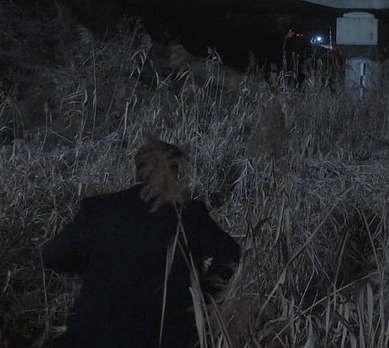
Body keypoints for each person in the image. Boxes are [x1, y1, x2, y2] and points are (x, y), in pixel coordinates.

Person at [42, 138, 241, 348]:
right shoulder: (189, 213)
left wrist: (83, 271)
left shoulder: (98, 209)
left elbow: (51, 256)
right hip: (169, 337)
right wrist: (201, 297)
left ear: (138, 170)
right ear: (176, 172)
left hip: (94, 335)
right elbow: (230, 253)